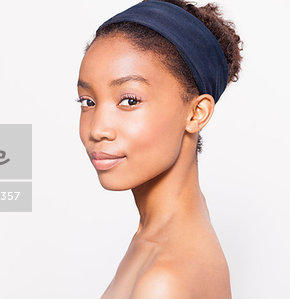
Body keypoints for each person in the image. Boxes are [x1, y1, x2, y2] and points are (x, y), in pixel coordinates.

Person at [76, 0, 243, 298]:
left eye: (129, 100)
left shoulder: (164, 280)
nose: (97, 129)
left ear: (196, 113)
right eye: (88, 101)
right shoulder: (164, 230)